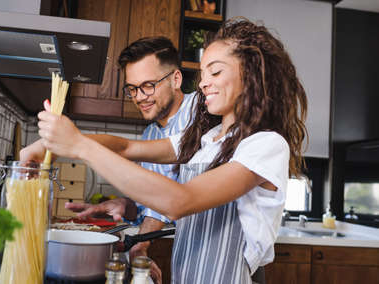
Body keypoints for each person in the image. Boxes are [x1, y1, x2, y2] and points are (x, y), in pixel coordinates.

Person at [26, 17, 308, 283]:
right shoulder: (207, 140)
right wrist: (49, 144)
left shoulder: (265, 145)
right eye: (202, 73)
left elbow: (179, 201)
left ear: (251, 75)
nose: (203, 83)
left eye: (216, 71)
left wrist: (78, 145)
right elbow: (125, 147)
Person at [22, 36, 195, 284]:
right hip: (181, 260)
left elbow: (165, 200)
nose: (139, 97)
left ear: (176, 79)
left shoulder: (199, 113)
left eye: (148, 85)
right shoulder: (151, 132)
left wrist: (140, 246)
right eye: (132, 88)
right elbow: (151, 199)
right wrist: (127, 206)